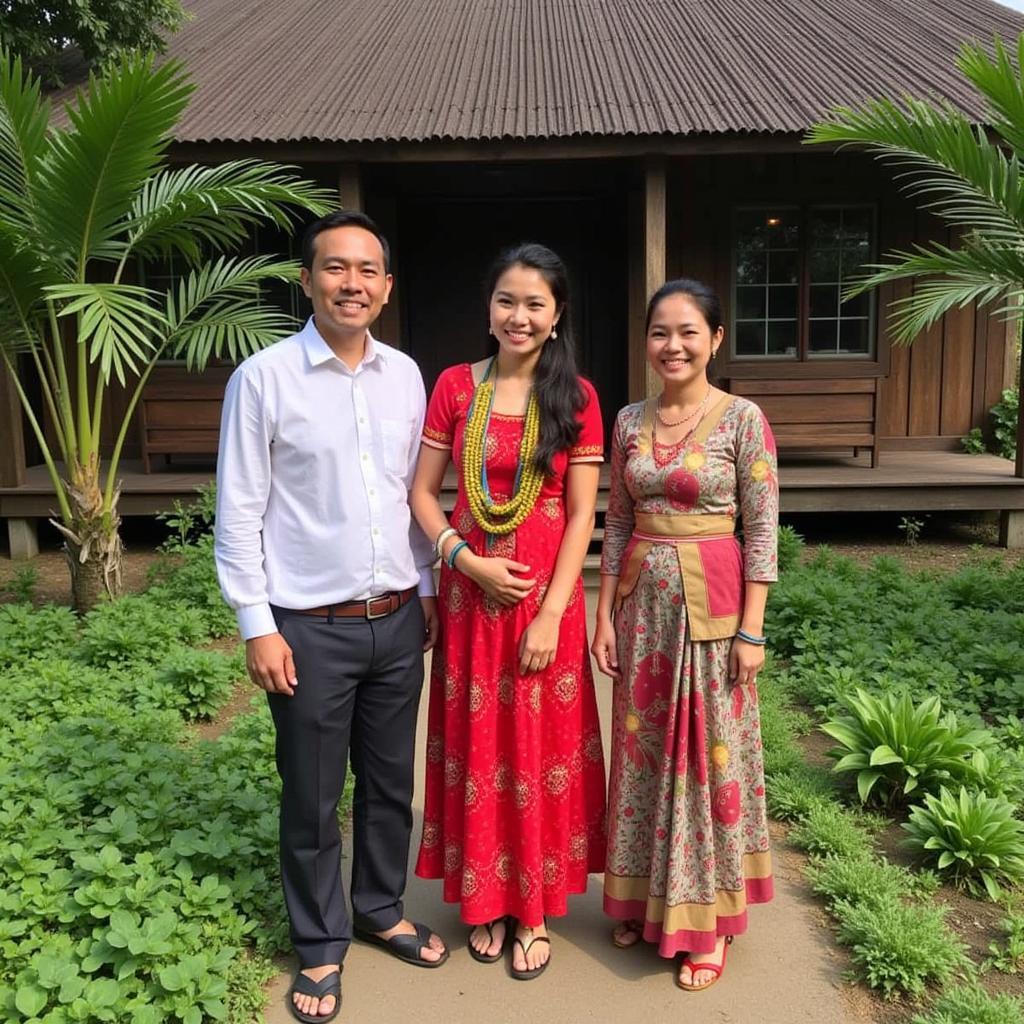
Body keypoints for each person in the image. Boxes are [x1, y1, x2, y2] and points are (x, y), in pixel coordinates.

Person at [214, 210, 448, 1024]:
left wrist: (423, 593)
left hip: (395, 618)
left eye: (369, 270)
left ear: (386, 287)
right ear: (307, 279)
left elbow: (411, 499)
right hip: (307, 626)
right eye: (336, 268)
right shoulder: (265, 379)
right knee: (312, 795)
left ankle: (379, 908)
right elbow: (239, 510)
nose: (353, 283)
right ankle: (319, 944)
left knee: (390, 783)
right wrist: (256, 622)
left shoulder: (408, 376)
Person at [410, 243, 606, 980]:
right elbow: (424, 493)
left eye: (534, 304)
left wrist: (555, 611)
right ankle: (484, 898)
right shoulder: (457, 388)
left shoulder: (577, 398)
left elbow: (584, 513)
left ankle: (532, 908)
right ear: (488, 309)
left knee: (536, 750)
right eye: (506, 301)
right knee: (480, 746)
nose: (517, 316)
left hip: (542, 600)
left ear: (556, 318)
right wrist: (466, 561)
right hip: (471, 597)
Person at [591, 279, 778, 992]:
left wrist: (752, 632)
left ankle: (707, 921)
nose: (673, 345)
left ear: (715, 340)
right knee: (642, 760)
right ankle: (645, 898)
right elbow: (615, 519)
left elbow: (760, 529)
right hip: (643, 614)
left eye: (688, 332)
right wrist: (604, 613)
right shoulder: (629, 419)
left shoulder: (741, 419)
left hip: (715, 613)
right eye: (661, 332)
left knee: (706, 761)